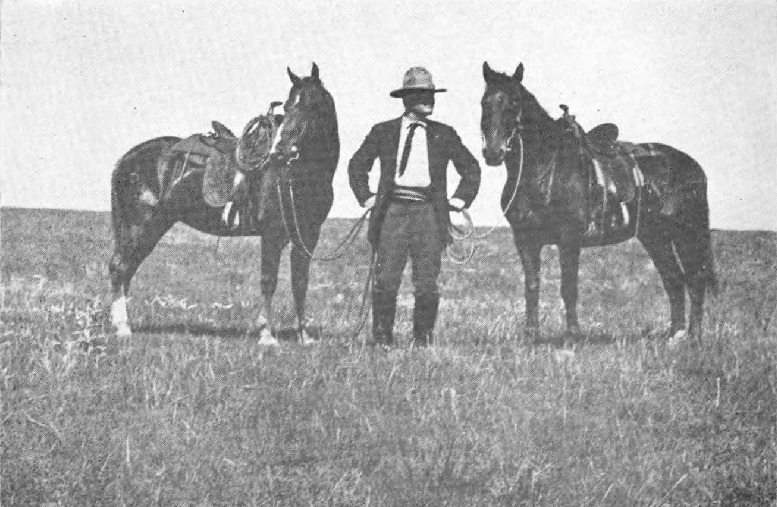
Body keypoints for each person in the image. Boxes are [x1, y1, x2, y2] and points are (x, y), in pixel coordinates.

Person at [348, 67, 481, 349]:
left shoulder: (444, 135)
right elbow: (357, 165)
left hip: (428, 216)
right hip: (392, 214)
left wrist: (457, 201)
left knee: (427, 283)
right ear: (406, 99)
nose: (430, 100)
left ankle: (423, 341)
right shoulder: (383, 131)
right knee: (385, 280)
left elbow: (471, 169)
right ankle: (382, 341)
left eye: (432, 94)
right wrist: (367, 198)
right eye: (422, 95)